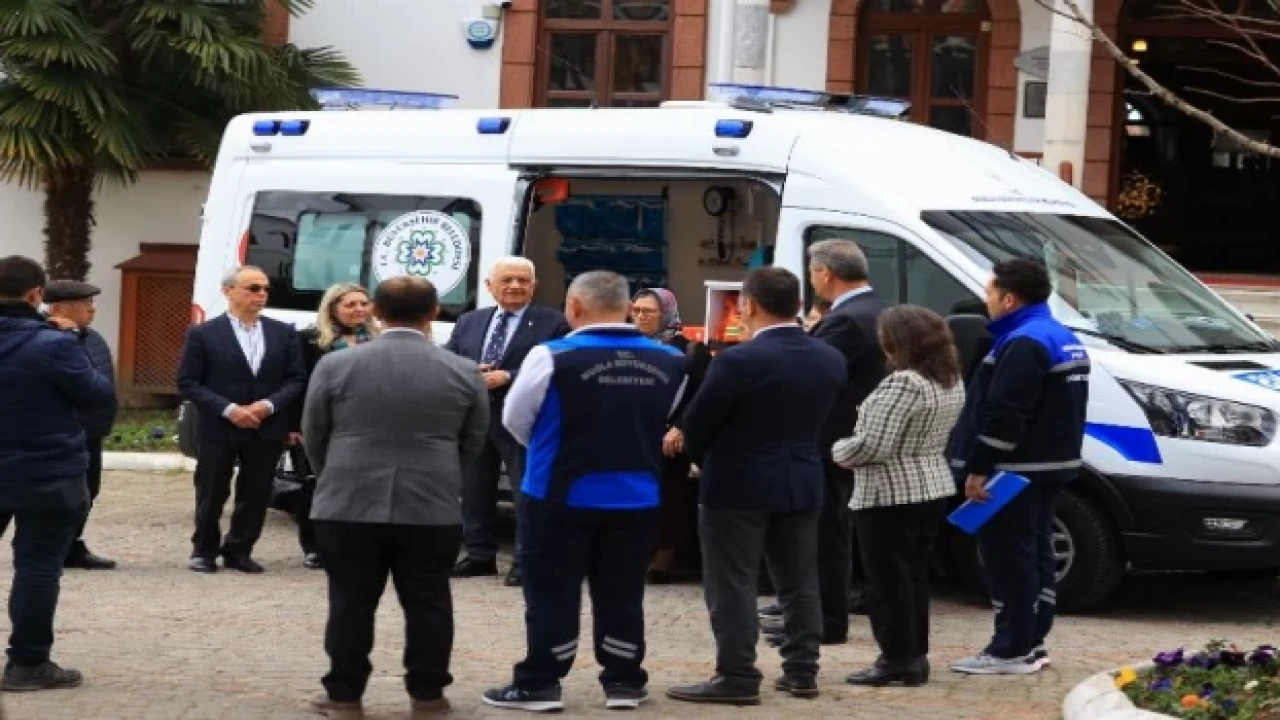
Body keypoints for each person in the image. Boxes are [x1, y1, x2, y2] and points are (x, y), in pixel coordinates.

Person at [482, 271, 687, 713]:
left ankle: (541, 681)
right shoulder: (671, 360)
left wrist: (554, 447)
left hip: (559, 492)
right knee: (623, 592)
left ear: (573, 307)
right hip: (636, 493)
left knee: (551, 591)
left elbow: (516, 419)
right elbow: (662, 414)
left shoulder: (552, 355)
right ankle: (624, 680)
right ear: (628, 309)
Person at [303, 276, 489, 718]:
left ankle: (344, 695)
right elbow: (473, 441)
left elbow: (314, 433)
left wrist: (334, 475)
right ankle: (428, 695)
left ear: (377, 312)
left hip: (348, 501)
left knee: (349, 602)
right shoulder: (463, 370)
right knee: (429, 602)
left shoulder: (335, 365)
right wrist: (443, 475)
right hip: (430, 505)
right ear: (434, 313)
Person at [667, 267, 846, 707]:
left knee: (732, 582)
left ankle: (737, 673)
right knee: (799, 579)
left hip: (737, 482)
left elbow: (699, 422)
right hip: (801, 476)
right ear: (797, 304)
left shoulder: (738, 360)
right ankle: (802, 670)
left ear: (747, 305)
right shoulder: (828, 357)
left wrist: (702, 458)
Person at [948, 259, 1089, 675]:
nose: (986, 301)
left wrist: (979, 468)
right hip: (1046, 468)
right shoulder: (1060, 335)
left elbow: (1005, 414)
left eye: (989, 294)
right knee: (1035, 555)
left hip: (1012, 471)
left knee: (1009, 559)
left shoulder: (1023, 342)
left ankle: (1010, 649)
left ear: (1009, 299)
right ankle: (1031, 641)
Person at [761, 239, 888, 646]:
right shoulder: (879, 308)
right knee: (835, 531)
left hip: (833, 438)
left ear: (825, 273)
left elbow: (808, 371)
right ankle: (814, 613)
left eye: (813, 272)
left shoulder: (847, 319)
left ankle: (826, 620)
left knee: (827, 534)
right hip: (857, 435)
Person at [831, 305, 965, 687]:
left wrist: (838, 449)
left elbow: (873, 446)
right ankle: (913, 654)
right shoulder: (950, 377)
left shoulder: (903, 383)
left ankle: (896, 658)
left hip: (890, 493)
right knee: (913, 578)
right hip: (930, 485)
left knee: (886, 582)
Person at [0, 256, 115, 691]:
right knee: (37, 567)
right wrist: (74, 342)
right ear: (36, 295)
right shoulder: (56, 344)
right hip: (47, 472)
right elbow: (98, 396)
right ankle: (27, 664)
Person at [445, 257, 571, 587]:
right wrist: (469, 371)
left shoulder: (554, 323)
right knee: (474, 490)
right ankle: (479, 555)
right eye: (507, 280)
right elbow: (449, 358)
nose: (515, 286)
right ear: (490, 286)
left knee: (525, 492)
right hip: (475, 418)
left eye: (522, 280)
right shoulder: (470, 321)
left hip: (524, 419)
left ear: (534, 286)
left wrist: (509, 376)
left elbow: (560, 364)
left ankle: (527, 561)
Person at [176, 265, 306, 574]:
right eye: (253, 288)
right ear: (228, 291)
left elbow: (296, 378)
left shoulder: (283, 332)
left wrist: (268, 406)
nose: (261, 294)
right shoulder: (203, 333)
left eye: (265, 288)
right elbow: (188, 382)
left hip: (266, 425)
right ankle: (204, 550)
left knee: (256, 492)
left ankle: (240, 549)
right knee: (211, 490)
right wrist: (229, 409)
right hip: (220, 425)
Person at [288, 282, 380, 569]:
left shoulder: (379, 341)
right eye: (350, 304)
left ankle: (357, 544)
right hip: (319, 426)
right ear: (332, 309)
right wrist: (294, 425)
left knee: (364, 487)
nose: (359, 309)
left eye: (363, 303)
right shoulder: (309, 341)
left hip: (367, 428)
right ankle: (314, 546)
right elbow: (296, 384)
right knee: (317, 486)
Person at [630, 288, 713, 583]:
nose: (640, 317)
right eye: (636, 310)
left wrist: (680, 426)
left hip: (669, 438)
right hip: (634, 434)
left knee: (670, 498)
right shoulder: (627, 346)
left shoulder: (690, 350)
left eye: (648, 311)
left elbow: (703, 395)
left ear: (666, 313)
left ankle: (663, 558)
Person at [43, 280, 119, 570]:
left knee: (88, 490)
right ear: (58, 309)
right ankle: (50, 548)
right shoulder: (46, 338)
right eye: (84, 303)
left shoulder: (93, 337)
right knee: (59, 494)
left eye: (91, 302)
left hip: (91, 432)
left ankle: (71, 545)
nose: (92, 308)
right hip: (60, 433)